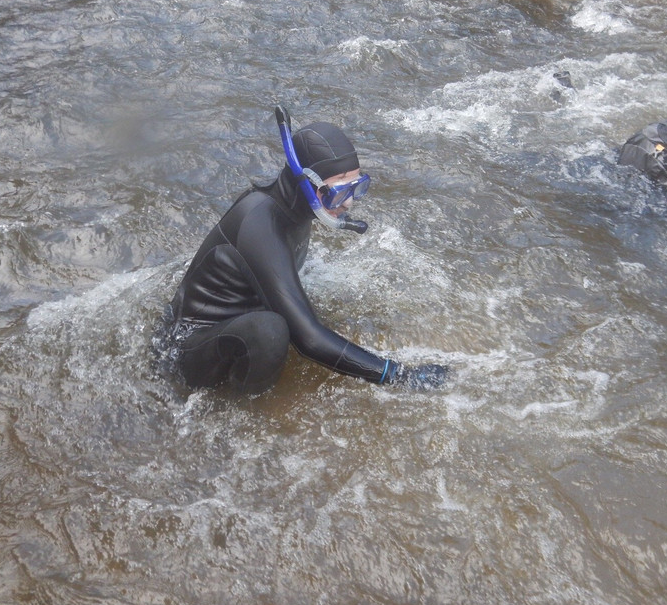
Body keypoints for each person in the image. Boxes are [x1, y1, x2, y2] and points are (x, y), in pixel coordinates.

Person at [158, 106, 449, 395]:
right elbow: (308, 340)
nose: (348, 204)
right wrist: (397, 375)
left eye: (356, 188)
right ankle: (246, 414)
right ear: (307, 183)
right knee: (271, 332)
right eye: (340, 192)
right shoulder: (260, 224)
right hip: (185, 350)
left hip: (231, 329)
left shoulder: (297, 210)